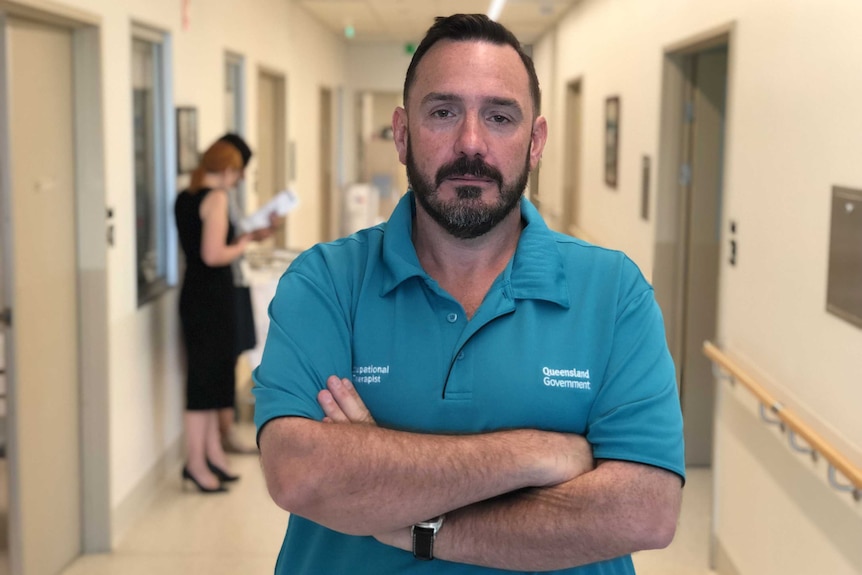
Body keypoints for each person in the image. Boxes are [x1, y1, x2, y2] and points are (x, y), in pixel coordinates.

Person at [253, 13, 685, 574]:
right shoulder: (326, 282)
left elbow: (643, 511)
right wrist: (537, 454)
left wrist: (409, 520)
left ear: (535, 142)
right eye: (443, 112)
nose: (471, 143)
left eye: (500, 117)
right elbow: (300, 472)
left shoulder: (614, 292)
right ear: (402, 135)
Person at [175, 139, 275, 492]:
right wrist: (245, 242)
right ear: (229, 169)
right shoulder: (215, 198)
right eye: (238, 172)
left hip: (197, 296)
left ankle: (213, 454)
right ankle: (196, 463)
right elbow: (214, 254)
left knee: (213, 380)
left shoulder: (185, 196)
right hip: (211, 299)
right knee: (203, 385)